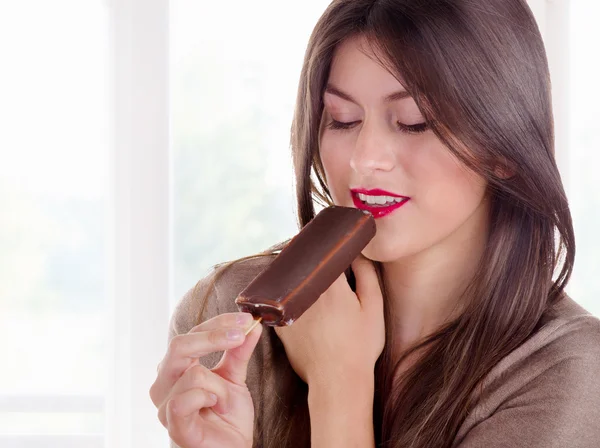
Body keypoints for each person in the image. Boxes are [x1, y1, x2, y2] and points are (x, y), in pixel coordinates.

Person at [150, 0, 600, 447]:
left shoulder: (569, 372)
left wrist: (338, 385)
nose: (365, 159)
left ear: (504, 147)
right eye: (343, 121)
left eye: (413, 122)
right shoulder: (228, 319)